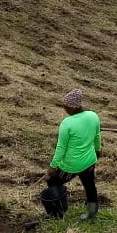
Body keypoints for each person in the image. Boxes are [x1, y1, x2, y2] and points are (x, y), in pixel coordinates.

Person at [41, 89, 102, 221]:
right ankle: (92, 215)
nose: (64, 109)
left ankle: (58, 212)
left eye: (66, 107)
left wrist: (53, 166)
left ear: (73, 107)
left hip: (71, 165)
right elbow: (97, 136)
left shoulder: (67, 123)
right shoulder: (93, 116)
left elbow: (61, 148)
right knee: (90, 186)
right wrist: (98, 151)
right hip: (89, 160)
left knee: (53, 181)